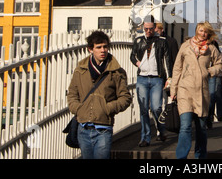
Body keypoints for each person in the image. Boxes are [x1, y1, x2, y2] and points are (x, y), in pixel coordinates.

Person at [67, 30, 132, 159]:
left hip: (103, 128)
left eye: (105, 47)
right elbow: (72, 94)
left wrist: (107, 108)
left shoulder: (116, 72)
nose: (103, 50)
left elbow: (125, 97)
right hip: (83, 126)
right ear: (90, 49)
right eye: (99, 47)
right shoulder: (80, 71)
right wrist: (78, 109)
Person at [171, 21, 222, 159]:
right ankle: (181, 157)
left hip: (202, 92)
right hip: (185, 90)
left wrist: (210, 71)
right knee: (185, 126)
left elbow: (220, 64)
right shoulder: (185, 46)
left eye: (205, 31)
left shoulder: (211, 49)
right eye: (201, 30)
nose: (203, 33)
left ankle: (200, 156)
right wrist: (173, 89)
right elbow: (177, 68)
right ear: (196, 31)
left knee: (201, 129)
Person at [130, 16, 173, 147]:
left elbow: (167, 59)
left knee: (156, 108)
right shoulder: (138, 41)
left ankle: (161, 129)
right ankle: (145, 137)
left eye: (150, 29)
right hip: (142, 78)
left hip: (157, 78)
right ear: (143, 27)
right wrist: (138, 63)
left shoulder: (161, 41)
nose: (148, 31)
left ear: (154, 28)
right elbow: (132, 55)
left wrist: (169, 78)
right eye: (146, 29)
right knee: (143, 108)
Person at [207, 40, 222, 128]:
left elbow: (221, 66)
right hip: (206, 75)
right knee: (213, 96)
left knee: (214, 95)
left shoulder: (218, 53)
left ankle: (215, 115)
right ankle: (208, 116)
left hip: (215, 75)